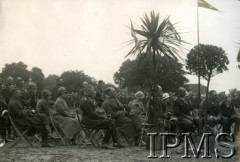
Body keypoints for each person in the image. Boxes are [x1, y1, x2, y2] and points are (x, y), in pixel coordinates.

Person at [80, 84, 124, 149]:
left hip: (90, 120)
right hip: (89, 121)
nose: (95, 92)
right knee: (111, 123)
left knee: (111, 122)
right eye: (93, 90)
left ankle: (114, 142)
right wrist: (102, 117)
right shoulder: (86, 101)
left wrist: (101, 116)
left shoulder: (87, 99)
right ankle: (108, 143)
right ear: (89, 91)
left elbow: (92, 114)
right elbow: (91, 114)